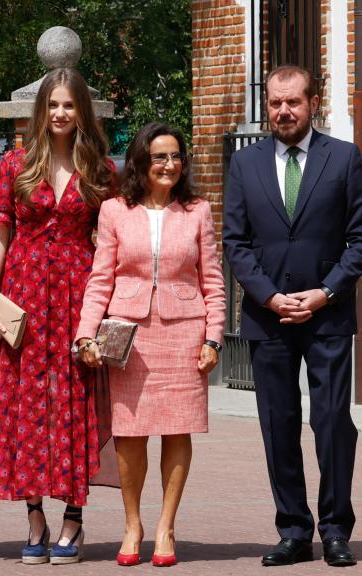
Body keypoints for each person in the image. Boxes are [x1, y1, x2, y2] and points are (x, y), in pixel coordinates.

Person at [223, 65, 362, 568]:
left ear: (313, 102)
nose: (283, 111)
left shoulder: (343, 158)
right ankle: (293, 530)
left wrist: (327, 292)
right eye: (274, 103)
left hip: (327, 317)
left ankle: (335, 530)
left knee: (332, 423)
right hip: (268, 320)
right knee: (278, 425)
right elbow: (236, 243)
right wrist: (268, 296)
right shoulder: (245, 166)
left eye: (292, 102)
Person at [0, 67, 115, 565]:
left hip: (79, 299)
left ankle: (74, 518)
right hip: (24, 300)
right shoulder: (15, 163)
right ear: (42, 110)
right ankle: (34, 514)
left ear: (82, 111)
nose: (60, 113)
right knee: (26, 405)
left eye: (69, 105)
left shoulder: (100, 168)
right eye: (53, 105)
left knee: (76, 403)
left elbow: (112, 241)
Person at [75, 122, 226, 567]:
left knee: (178, 430)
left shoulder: (197, 210)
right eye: (160, 156)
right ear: (141, 161)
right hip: (129, 336)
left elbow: (213, 281)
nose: (169, 165)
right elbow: (101, 278)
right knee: (129, 435)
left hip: (184, 333)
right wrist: (85, 333)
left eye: (176, 156)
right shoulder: (115, 211)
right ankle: (132, 524)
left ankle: (166, 525)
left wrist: (213, 338)